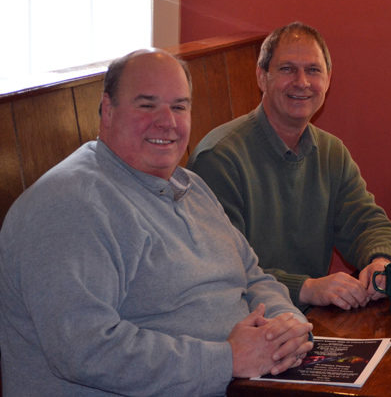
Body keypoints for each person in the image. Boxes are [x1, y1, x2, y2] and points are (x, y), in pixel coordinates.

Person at [0, 49, 313, 396]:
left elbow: (252, 275)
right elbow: (86, 350)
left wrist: (289, 326)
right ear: (107, 110)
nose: (167, 121)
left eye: (179, 106)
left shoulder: (190, 185)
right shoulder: (69, 205)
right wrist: (226, 360)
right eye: (147, 105)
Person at [188, 22, 391, 311]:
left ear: (328, 81)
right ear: (262, 77)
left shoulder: (331, 152)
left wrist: (382, 263)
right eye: (287, 69)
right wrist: (307, 287)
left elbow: (367, 223)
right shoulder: (219, 158)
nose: (302, 82)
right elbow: (223, 269)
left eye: (313, 70)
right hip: (248, 326)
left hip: (310, 321)